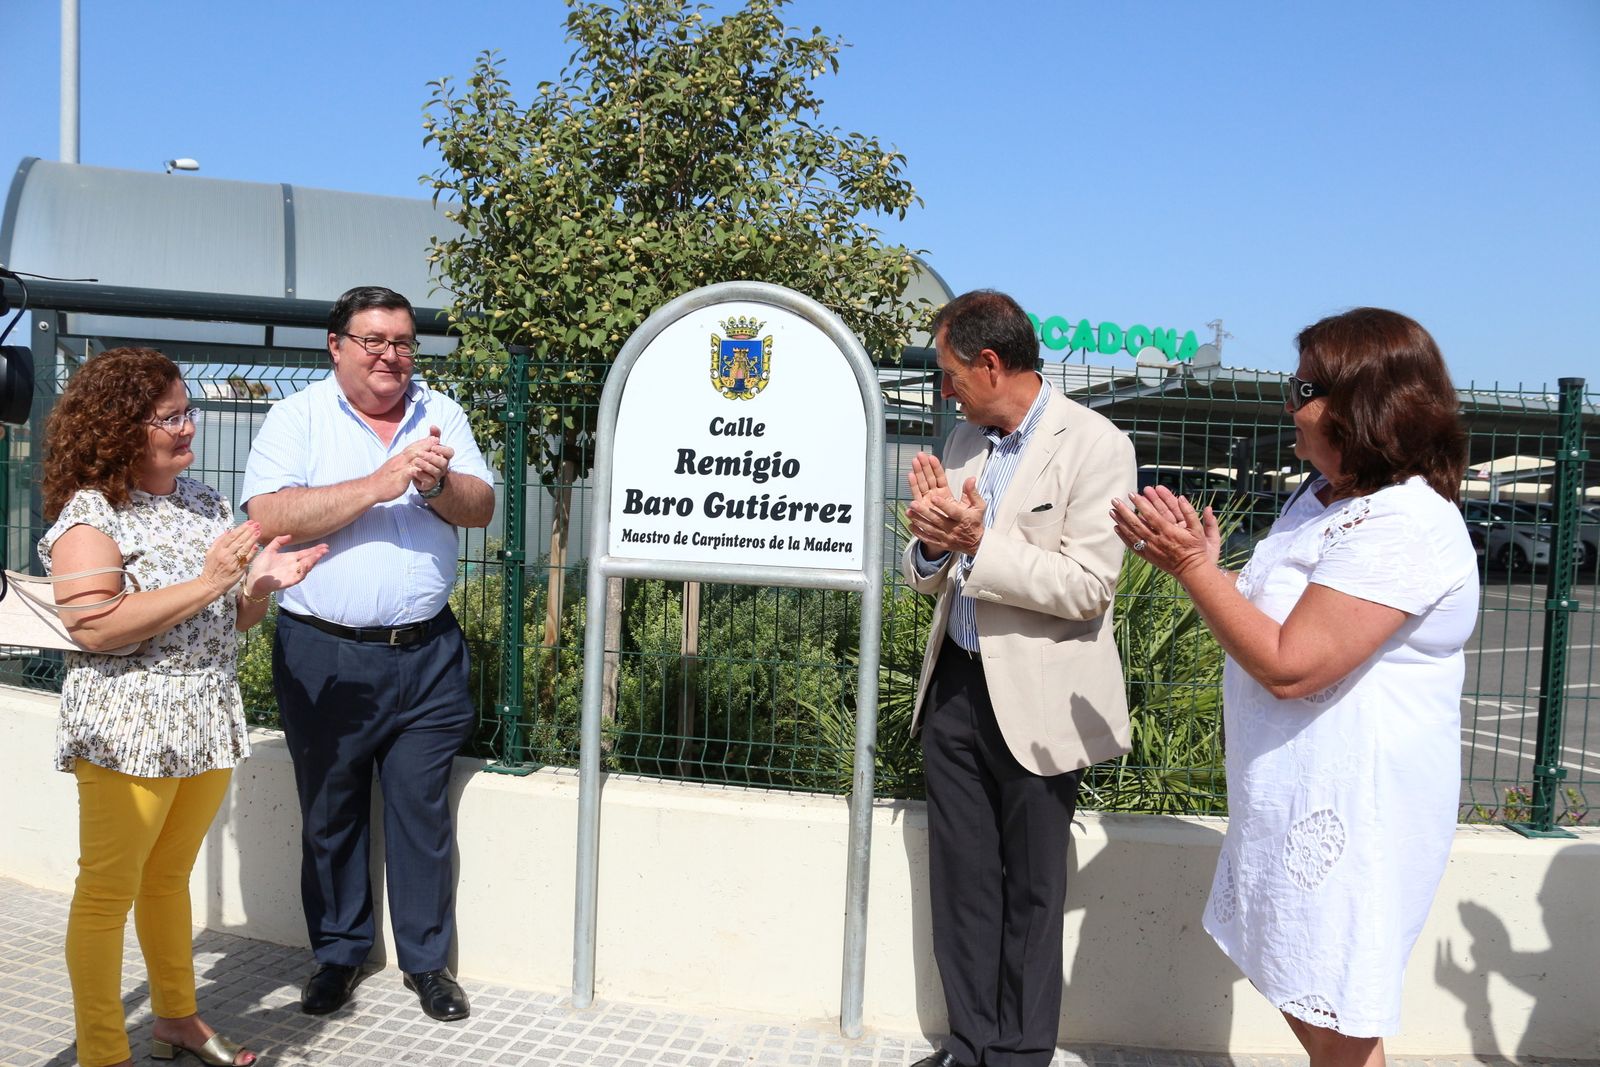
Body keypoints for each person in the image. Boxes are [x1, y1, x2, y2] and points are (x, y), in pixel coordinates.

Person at [1110, 307, 1477, 1067]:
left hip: (1354, 818)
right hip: (1294, 800)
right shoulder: (1323, 497)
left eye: (1303, 385)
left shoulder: (1404, 522)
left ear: (1363, 402)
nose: (1289, 402)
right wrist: (1213, 564)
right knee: (1310, 1000)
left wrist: (1194, 572)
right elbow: (1276, 609)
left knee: (1338, 1022)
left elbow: (1290, 663)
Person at [40, 348, 326, 1067]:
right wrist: (212, 582)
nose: (189, 427)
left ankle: (177, 1018)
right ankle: (103, 1054)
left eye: (186, 410)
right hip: (127, 728)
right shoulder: (89, 517)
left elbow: (231, 619)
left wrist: (257, 585)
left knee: (168, 878)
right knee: (107, 893)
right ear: (118, 427)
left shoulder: (201, 499)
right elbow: (95, 625)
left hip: (202, 718)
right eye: (169, 417)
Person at [240, 285, 495, 1022]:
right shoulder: (297, 417)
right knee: (330, 809)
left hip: (428, 654)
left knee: (422, 811)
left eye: (404, 342)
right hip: (325, 654)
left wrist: (438, 483)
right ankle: (339, 953)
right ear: (337, 346)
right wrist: (383, 482)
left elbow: (482, 507)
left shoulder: (440, 413)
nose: (392, 355)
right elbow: (270, 512)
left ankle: (428, 965)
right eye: (375, 340)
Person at [902, 290, 1136, 1067]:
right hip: (957, 691)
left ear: (990, 362)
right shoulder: (965, 438)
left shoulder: (1096, 444)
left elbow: (1088, 587)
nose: (945, 389)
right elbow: (931, 575)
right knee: (962, 887)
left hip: (1040, 702)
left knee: (1033, 895)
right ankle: (968, 1050)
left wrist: (977, 541)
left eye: (949, 371)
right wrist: (934, 544)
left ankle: (1018, 1057)